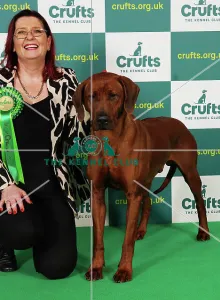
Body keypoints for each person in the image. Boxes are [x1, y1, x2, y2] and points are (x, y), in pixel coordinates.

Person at [0, 9, 91, 279]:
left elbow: (79, 134)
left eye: (37, 31)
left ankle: (39, 226)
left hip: (53, 184)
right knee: (20, 232)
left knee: (58, 268)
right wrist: (5, 185)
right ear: (12, 44)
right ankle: (6, 239)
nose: (30, 37)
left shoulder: (67, 80)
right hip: (11, 185)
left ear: (48, 42)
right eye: (21, 33)